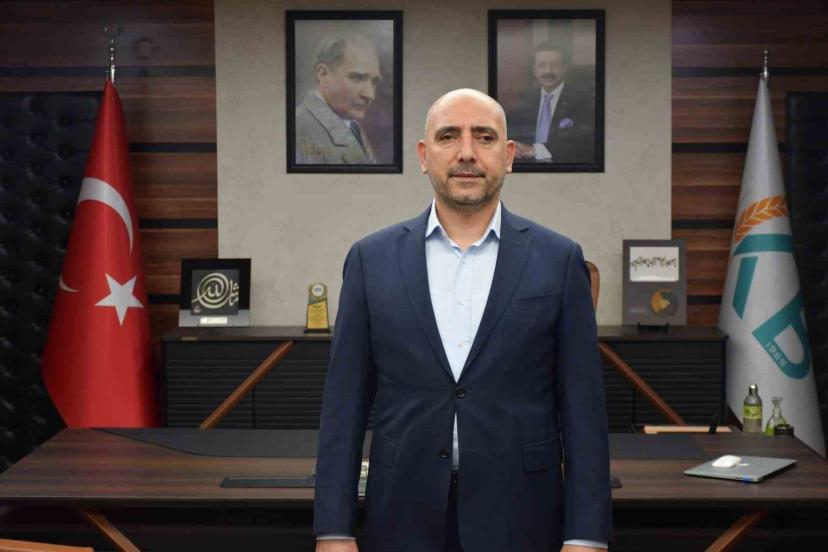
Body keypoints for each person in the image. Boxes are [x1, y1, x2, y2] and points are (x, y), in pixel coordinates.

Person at [314, 89, 611, 552]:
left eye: (484, 137)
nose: (467, 152)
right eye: (449, 136)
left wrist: (586, 537)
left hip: (523, 518)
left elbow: (584, 413)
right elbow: (343, 407)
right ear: (424, 155)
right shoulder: (371, 260)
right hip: (401, 517)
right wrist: (334, 530)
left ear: (508, 156)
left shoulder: (559, 260)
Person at [295, 32, 382, 164]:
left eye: (374, 82)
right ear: (323, 75)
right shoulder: (298, 130)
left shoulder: (352, 126)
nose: (370, 95)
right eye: (357, 77)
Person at [507, 41, 595, 164]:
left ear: (565, 68)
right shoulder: (525, 99)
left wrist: (535, 150)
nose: (548, 71)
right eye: (542, 65)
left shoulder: (583, 100)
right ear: (534, 69)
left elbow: (585, 141)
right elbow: (514, 134)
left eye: (555, 65)